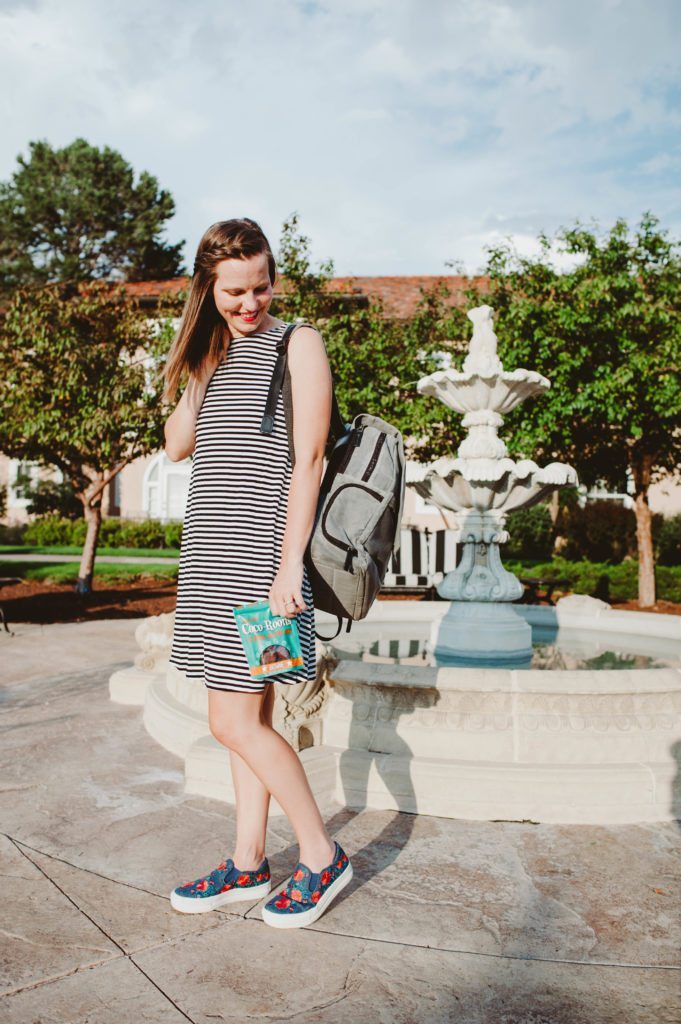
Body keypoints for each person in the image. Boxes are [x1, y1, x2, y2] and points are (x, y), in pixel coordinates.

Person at [161, 218, 352, 928]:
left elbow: (309, 460)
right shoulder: (214, 353)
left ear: (274, 278)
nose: (250, 304)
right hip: (209, 562)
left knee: (232, 722)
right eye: (234, 292)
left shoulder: (297, 344)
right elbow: (178, 446)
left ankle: (320, 855)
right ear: (207, 291)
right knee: (252, 717)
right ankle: (247, 864)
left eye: (260, 287)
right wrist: (197, 357)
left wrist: (288, 565)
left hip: (260, 567)